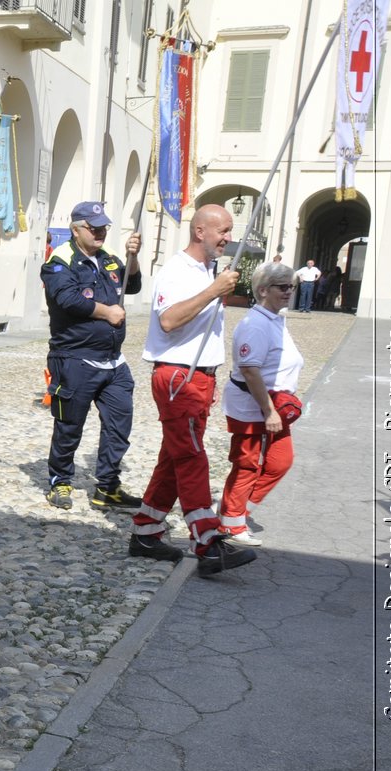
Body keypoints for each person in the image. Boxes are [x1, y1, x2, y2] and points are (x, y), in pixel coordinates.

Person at [131, 204, 256, 577]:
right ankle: (207, 540)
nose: (228, 238)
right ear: (200, 231)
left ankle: (146, 530)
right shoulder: (177, 270)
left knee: (175, 455)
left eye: (230, 231)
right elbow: (168, 320)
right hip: (177, 376)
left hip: (198, 376)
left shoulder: (206, 269)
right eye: (223, 231)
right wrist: (213, 291)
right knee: (191, 456)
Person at [40, 201, 143, 510]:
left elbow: (133, 284)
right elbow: (67, 299)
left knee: (119, 425)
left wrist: (133, 257)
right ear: (76, 229)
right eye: (93, 227)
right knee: (69, 425)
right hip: (74, 358)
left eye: (103, 228)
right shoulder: (60, 260)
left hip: (113, 360)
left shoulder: (109, 259)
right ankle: (61, 481)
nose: (99, 232)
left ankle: (107, 486)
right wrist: (106, 312)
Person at [218, 263, 303, 547]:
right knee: (247, 464)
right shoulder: (255, 324)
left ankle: (239, 511)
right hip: (254, 405)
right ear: (263, 290)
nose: (289, 291)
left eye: (291, 286)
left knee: (280, 461)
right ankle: (230, 522)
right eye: (283, 287)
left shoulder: (274, 318)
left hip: (275, 405)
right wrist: (268, 411)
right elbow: (250, 370)